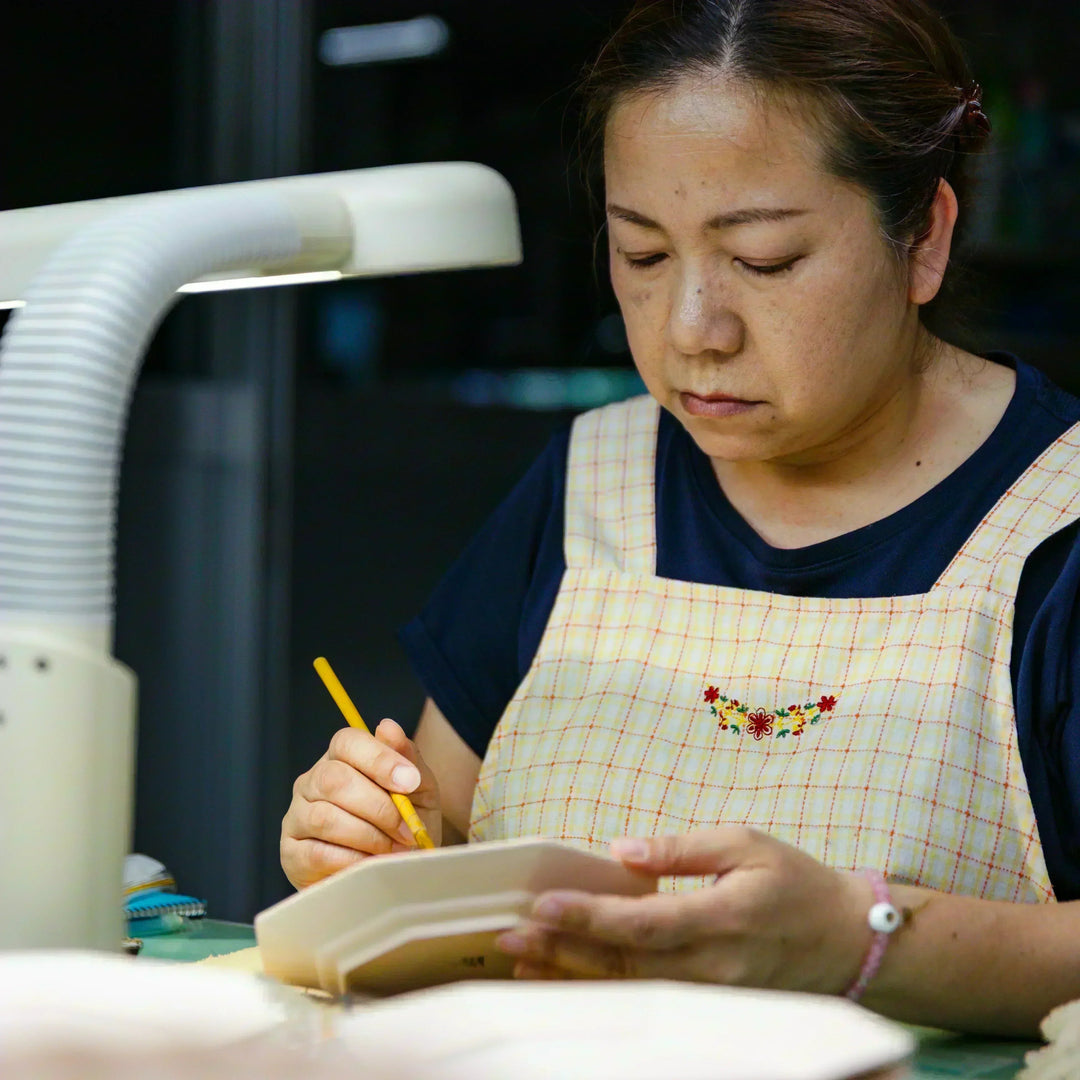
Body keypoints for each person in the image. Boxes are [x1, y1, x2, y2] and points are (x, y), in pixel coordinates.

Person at [281, 0, 1080, 1036]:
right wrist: (362, 852)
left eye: (765, 259)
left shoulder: (1054, 526)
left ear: (923, 236)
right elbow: (435, 837)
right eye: (644, 257)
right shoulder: (586, 479)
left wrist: (863, 939)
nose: (694, 331)